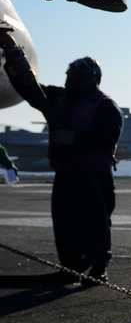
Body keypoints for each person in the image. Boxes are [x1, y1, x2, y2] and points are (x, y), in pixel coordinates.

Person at [1, 44, 122, 281]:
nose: (68, 80)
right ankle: (70, 267)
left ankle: (98, 269)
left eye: (73, 77)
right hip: (66, 174)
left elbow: (108, 137)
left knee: (96, 222)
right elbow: (31, 91)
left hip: (95, 177)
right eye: (68, 75)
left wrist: (74, 137)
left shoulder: (106, 106)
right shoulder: (58, 98)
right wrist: (13, 61)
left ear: (88, 80)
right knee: (64, 223)